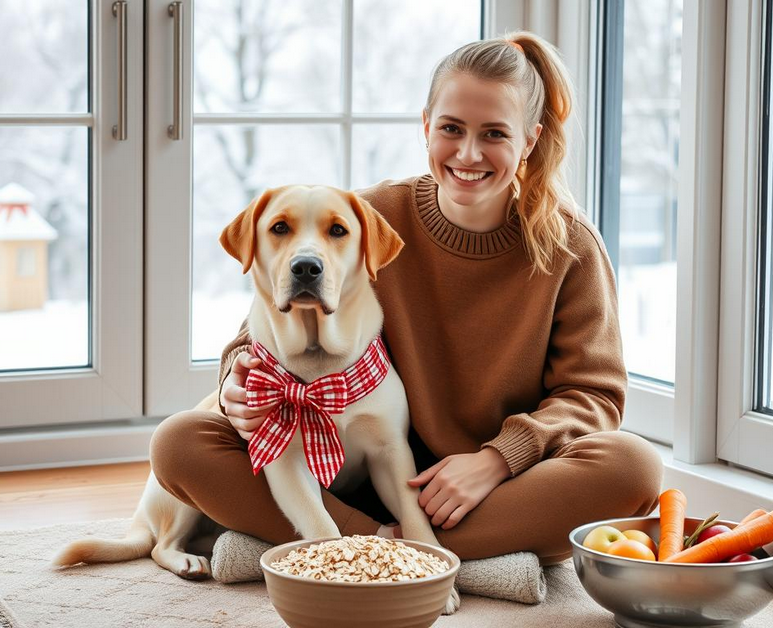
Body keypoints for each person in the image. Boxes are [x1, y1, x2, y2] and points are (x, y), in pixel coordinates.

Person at [150, 31, 663, 566]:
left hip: (494, 490)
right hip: (361, 478)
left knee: (633, 467)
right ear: (425, 126)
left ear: (530, 141)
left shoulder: (569, 245)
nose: (468, 153)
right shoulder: (369, 218)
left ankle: (359, 553)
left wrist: (496, 460)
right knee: (179, 443)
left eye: (494, 134)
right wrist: (237, 378)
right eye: (451, 129)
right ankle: (401, 552)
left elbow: (594, 396)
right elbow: (260, 327)